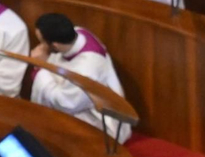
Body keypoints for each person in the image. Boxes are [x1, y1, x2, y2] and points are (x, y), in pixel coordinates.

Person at [30, 13, 132, 143]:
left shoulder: (86, 69)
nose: (40, 47)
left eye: (42, 42)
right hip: (81, 104)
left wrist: (40, 67)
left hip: (98, 118)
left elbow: (65, 103)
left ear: (55, 46)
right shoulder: (78, 32)